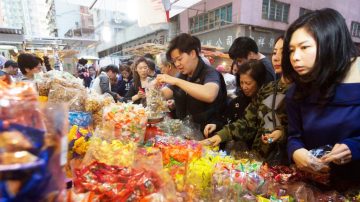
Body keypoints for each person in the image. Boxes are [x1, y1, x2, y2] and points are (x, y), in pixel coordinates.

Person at [282, 8, 360, 188]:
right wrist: (296, 152)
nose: (295, 57)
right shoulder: (296, 91)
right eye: (291, 50)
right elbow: (294, 135)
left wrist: (354, 147)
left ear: (330, 43)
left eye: (304, 47)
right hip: (315, 183)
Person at [201, 36, 291, 165]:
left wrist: (281, 134)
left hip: (284, 164)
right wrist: (220, 135)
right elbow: (248, 122)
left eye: (284, 52)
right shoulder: (269, 88)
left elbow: (299, 131)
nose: (276, 57)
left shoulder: (302, 92)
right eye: (275, 52)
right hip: (259, 160)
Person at [156, 33, 227, 132]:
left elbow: (209, 94)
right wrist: (154, 88)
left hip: (207, 133)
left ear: (193, 53)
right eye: (174, 61)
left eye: (179, 59)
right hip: (186, 133)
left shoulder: (210, 73)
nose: (177, 64)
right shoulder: (182, 75)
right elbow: (164, 94)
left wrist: (176, 81)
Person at [204, 59, 268, 137]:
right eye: (241, 82)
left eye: (248, 83)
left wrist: (269, 139)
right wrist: (216, 126)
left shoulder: (267, 103)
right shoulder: (237, 102)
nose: (244, 87)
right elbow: (227, 122)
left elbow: (268, 137)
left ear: (259, 81)